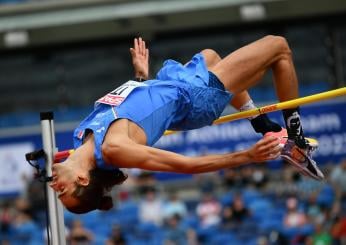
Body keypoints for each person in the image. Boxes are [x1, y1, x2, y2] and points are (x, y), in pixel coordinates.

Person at [50, 36, 324, 214]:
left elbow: (136, 116)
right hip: (195, 98)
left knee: (211, 55)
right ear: (83, 179)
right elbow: (186, 165)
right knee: (279, 48)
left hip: (173, 84)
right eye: (62, 190)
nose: (53, 186)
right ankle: (296, 141)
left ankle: (262, 123)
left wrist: (140, 78)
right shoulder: (114, 150)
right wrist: (247, 156)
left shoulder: (80, 139)